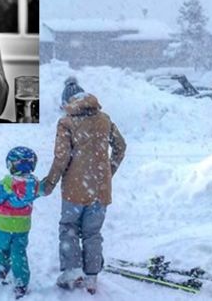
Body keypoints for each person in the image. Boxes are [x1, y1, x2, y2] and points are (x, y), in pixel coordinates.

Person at [42, 77, 127, 295]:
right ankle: (91, 277)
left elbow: (61, 158)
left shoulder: (67, 122)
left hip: (74, 190)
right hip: (100, 190)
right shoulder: (104, 119)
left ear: (66, 101)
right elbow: (120, 147)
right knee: (92, 233)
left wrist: (49, 183)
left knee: (69, 227)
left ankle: (72, 271)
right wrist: (108, 171)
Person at [0, 146, 43, 299]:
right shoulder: (34, 185)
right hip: (23, 226)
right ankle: (21, 283)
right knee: (19, 253)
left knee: (1, 249)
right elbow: (42, 191)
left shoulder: (6, 183)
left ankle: (2, 269)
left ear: (11, 165)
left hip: (3, 226)